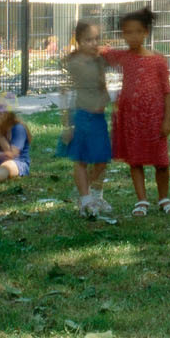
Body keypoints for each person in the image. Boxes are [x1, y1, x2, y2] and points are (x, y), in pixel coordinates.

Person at [103, 7, 170, 215]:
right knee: (135, 159)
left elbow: (168, 91)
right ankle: (141, 200)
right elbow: (101, 52)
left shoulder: (158, 60)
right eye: (127, 32)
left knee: (161, 160)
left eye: (137, 31)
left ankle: (164, 198)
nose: (132, 36)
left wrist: (167, 120)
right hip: (131, 118)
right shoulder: (123, 57)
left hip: (155, 118)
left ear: (146, 32)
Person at [55, 20, 117, 222]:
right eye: (88, 40)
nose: (93, 43)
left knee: (102, 158)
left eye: (96, 39)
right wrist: (67, 125)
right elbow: (65, 93)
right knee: (81, 159)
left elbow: (115, 61)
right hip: (81, 116)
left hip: (99, 117)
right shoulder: (73, 64)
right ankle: (85, 198)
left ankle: (94, 195)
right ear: (78, 40)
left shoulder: (99, 60)